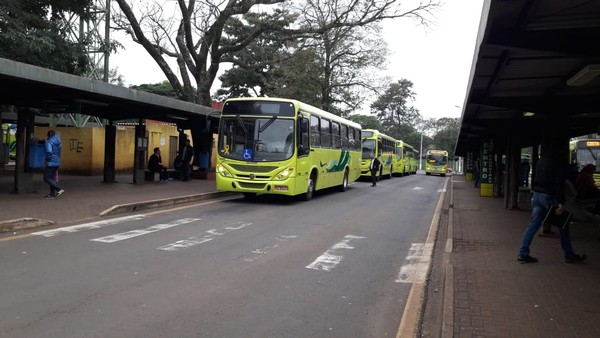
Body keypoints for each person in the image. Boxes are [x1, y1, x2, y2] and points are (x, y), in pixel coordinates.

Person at [517, 153, 587, 264]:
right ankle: (569, 255)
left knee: (533, 225)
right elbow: (559, 183)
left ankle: (523, 253)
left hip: (537, 195)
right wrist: (560, 202)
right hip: (549, 195)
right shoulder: (558, 162)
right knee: (563, 224)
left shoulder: (540, 160)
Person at [43, 130, 64, 199]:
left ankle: (59, 189)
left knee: (46, 178)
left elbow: (48, 151)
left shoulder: (48, 141)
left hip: (51, 162)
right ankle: (52, 194)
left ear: (48, 135)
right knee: (51, 178)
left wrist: (48, 159)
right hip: (57, 161)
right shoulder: (59, 142)